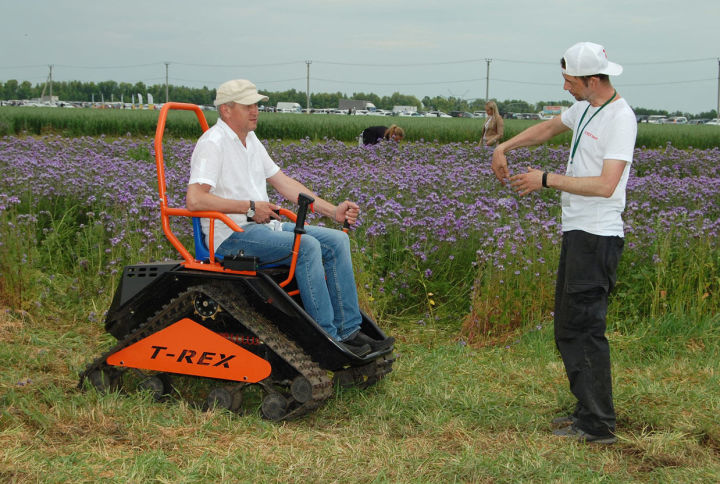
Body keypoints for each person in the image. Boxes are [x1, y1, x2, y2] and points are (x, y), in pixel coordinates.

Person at [490, 42, 637, 445]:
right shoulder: (586, 107)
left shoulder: (620, 119)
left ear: (593, 80)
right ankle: (587, 412)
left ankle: (597, 425)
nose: (566, 87)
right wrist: (505, 146)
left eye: (570, 81)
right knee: (570, 327)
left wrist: (546, 179)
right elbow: (550, 128)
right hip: (578, 233)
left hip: (597, 236)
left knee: (585, 329)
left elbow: (608, 185)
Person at [186, 79, 394, 357]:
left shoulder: (250, 141)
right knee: (306, 247)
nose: (255, 110)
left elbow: (284, 183)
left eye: (256, 105)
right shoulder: (213, 143)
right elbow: (195, 200)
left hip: (262, 227)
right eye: (248, 105)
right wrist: (249, 207)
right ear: (226, 110)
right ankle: (327, 339)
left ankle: (349, 331)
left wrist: (333, 211)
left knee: (335, 242)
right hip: (231, 236)